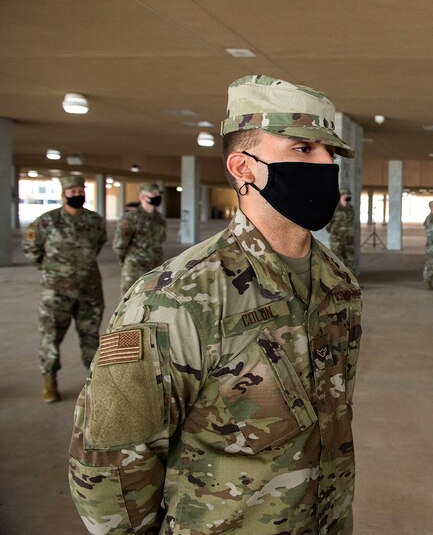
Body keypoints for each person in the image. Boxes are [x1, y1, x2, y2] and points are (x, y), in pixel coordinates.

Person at [68, 75, 363, 534]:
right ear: (244, 168)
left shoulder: (338, 282)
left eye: (331, 153)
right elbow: (111, 468)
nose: (326, 165)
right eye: (303, 150)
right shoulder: (175, 298)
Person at [22, 174, 106, 403]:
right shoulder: (46, 221)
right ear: (63, 195)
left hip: (89, 288)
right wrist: (52, 269)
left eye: (81, 190)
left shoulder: (95, 221)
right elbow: (31, 248)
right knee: (51, 335)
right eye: (73, 191)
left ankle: (95, 381)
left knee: (91, 336)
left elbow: (99, 243)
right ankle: (49, 381)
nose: (77, 194)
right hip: (56, 290)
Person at [113, 182, 166, 294]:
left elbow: (160, 241)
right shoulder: (130, 218)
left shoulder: (160, 219)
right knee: (130, 304)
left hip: (155, 268)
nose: (157, 196)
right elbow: (119, 246)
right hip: (134, 269)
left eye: (158, 194)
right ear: (142, 197)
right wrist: (127, 262)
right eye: (153, 194)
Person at [326, 187, 356, 272]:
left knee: (350, 261)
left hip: (349, 239)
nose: (348, 196)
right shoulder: (334, 208)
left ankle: (351, 284)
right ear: (341, 196)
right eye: (347, 195)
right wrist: (335, 233)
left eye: (349, 195)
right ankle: (337, 283)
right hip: (337, 239)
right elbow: (328, 225)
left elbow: (351, 222)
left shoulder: (350, 208)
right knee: (335, 261)